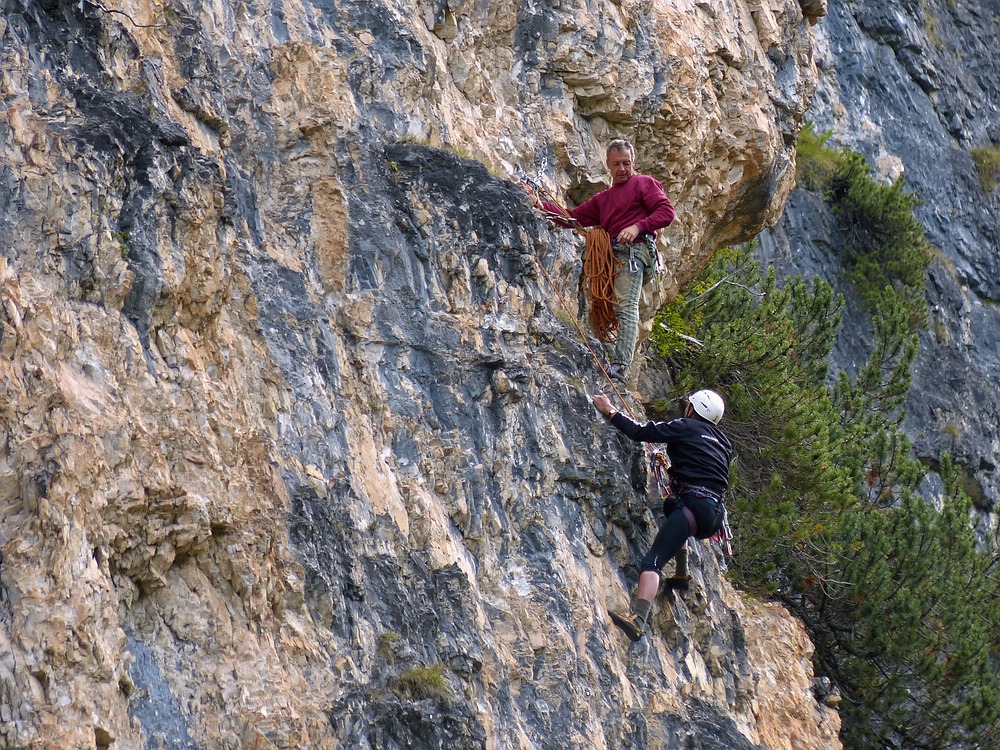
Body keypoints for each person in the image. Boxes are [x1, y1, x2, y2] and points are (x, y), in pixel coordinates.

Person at [524, 140, 676, 382]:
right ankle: (609, 359)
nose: (622, 169)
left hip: (635, 252)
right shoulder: (603, 200)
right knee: (600, 309)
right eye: (617, 164)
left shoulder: (643, 184)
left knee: (625, 305)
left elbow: (666, 212)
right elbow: (571, 218)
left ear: (633, 162)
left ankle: (621, 365)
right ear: (608, 165)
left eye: (626, 163)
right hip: (611, 256)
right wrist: (539, 204)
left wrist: (637, 227)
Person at [591, 388, 733, 642]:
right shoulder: (724, 443)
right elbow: (703, 468)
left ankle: (638, 619)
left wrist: (610, 411)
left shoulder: (687, 425)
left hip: (693, 506)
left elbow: (641, 432)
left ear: (693, 409)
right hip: (714, 514)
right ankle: (681, 573)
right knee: (671, 506)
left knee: (653, 561)